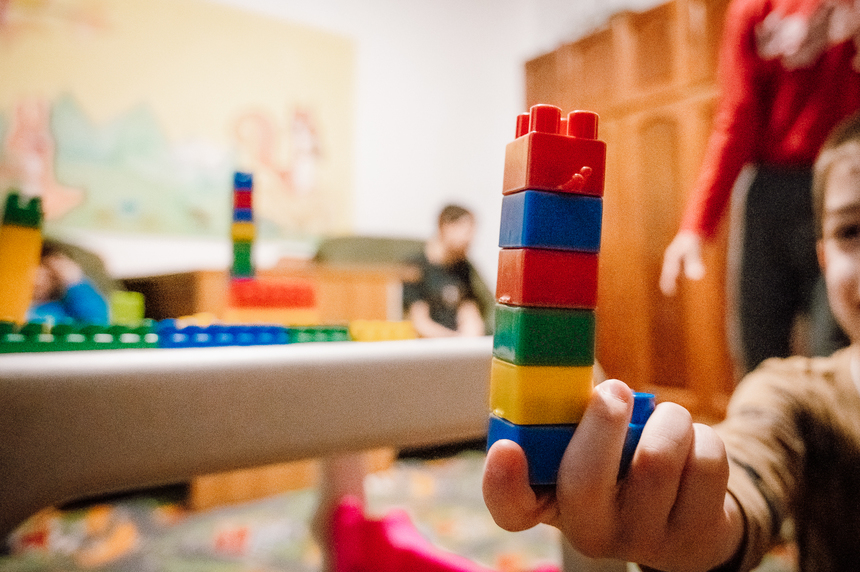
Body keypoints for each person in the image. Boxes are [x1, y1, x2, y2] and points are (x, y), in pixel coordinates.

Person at [483, 111, 860, 572]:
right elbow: (746, 474)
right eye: (851, 231)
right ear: (822, 257)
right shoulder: (793, 396)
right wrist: (695, 525)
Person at [660, 0, 859, 373]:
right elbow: (738, 112)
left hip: (846, 189)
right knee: (757, 348)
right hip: (769, 190)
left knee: (839, 351)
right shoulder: (752, 8)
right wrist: (696, 224)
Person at [403, 204, 488, 338]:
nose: (469, 239)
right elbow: (419, 323)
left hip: (457, 343)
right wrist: (456, 340)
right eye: (465, 231)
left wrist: (472, 333)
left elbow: (469, 311)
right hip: (428, 345)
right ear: (445, 227)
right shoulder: (416, 266)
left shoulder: (464, 267)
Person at [28, 243, 109, 325]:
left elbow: (95, 322)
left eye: (51, 277)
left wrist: (74, 281)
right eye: (41, 266)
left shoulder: (55, 311)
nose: (40, 280)